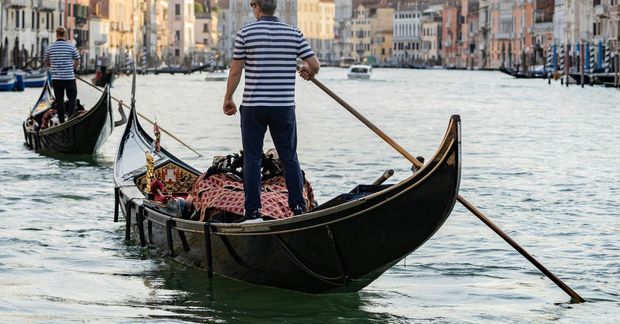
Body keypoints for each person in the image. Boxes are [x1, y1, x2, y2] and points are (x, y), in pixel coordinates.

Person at [222, 0, 320, 223]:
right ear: (275, 7)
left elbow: (236, 72)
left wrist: (228, 98)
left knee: (253, 159)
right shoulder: (293, 33)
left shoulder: (245, 34)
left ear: (256, 7)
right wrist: (307, 71)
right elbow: (315, 65)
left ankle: (253, 212)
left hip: (254, 107)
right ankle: (297, 208)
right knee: (288, 157)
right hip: (283, 107)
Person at [44, 26, 80, 123]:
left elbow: (47, 62)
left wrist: (54, 66)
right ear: (65, 35)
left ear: (56, 35)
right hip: (69, 78)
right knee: (72, 99)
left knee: (59, 100)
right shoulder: (71, 46)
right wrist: (72, 68)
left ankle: (61, 121)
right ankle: (71, 119)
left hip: (56, 79)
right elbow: (77, 61)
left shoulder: (50, 48)